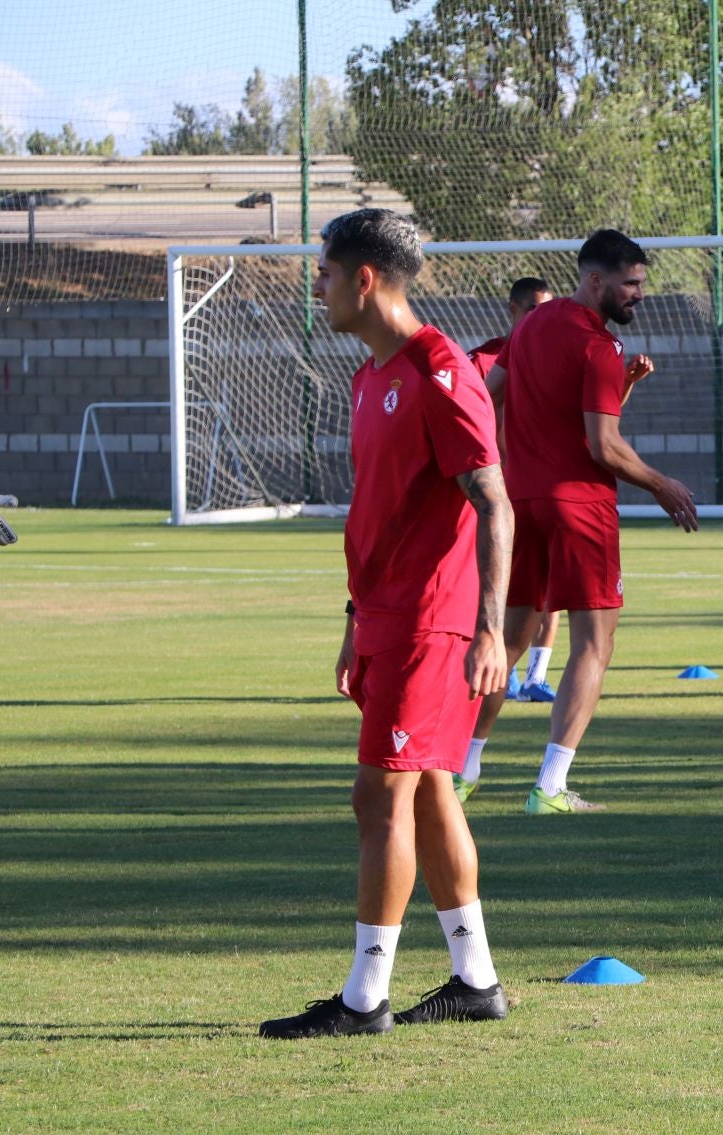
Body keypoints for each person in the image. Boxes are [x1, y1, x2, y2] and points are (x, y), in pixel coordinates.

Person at [260, 209, 513, 1038]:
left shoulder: (441, 370)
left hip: (433, 625)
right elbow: (380, 516)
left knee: (378, 798)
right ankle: (475, 980)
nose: (318, 285)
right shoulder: (371, 378)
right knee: (432, 792)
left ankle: (364, 1000)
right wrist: (351, 619)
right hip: (383, 620)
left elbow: (494, 502)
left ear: (364, 278)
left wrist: (490, 630)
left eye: (325, 272)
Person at [465, 229, 698, 814]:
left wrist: (489, 468)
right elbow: (603, 447)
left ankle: (460, 769)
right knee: (594, 643)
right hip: (579, 510)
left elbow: (489, 394)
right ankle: (549, 787)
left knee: (508, 642)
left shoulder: (530, 327)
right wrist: (663, 485)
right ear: (596, 279)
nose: (639, 294)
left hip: (521, 504)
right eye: (631, 283)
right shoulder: (600, 347)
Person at [465, 277, 562, 704]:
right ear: (513, 310)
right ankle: (492, 671)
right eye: (534, 311)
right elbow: (470, 417)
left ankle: (535, 678)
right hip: (494, 493)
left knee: (549, 589)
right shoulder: (484, 360)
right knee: (493, 587)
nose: (542, 320)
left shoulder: (555, 356)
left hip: (538, 487)